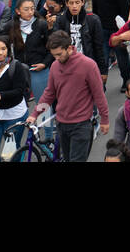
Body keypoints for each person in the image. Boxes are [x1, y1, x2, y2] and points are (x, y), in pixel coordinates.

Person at [29, 30, 109, 162]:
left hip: (81, 125)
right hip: (61, 124)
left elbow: (99, 95)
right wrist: (34, 114)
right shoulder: (55, 66)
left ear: (69, 48)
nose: (56, 58)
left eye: (59, 54)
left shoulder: (88, 65)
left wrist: (105, 119)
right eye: (53, 55)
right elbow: (49, 94)